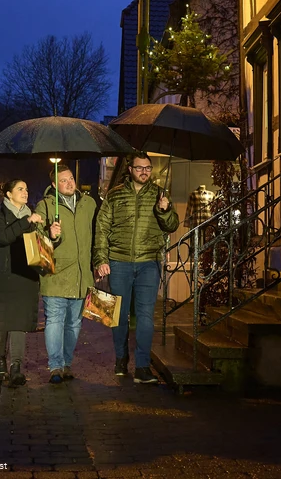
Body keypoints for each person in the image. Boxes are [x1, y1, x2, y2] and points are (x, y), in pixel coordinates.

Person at [94, 151, 179, 384]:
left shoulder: (159, 195)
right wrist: (100, 259)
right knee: (119, 315)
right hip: (118, 261)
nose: (144, 172)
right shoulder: (115, 195)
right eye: (140, 168)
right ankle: (121, 359)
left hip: (149, 263)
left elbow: (172, 225)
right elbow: (102, 229)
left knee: (145, 317)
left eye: (148, 168)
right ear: (130, 169)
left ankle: (142, 367)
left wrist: (165, 210)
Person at [35, 165, 97, 384]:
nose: (70, 183)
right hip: (56, 274)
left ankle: (67, 363)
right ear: (54, 185)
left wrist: (99, 262)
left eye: (71, 178)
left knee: (74, 324)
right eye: (63, 181)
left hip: (82, 276)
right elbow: (35, 237)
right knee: (54, 320)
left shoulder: (89, 204)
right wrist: (49, 234)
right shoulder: (45, 205)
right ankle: (55, 366)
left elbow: (97, 235)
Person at [0, 179, 43, 387]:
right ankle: (0, 360)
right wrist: (26, 221)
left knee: (19, 322)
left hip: (24, 277)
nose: (25, 192)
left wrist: (53, 237)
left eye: (27, 189)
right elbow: (2, 237)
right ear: (9, 194)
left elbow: (42, 248)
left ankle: (16, 367)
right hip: (1, 278)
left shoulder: (32, 218)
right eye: (20, 189)